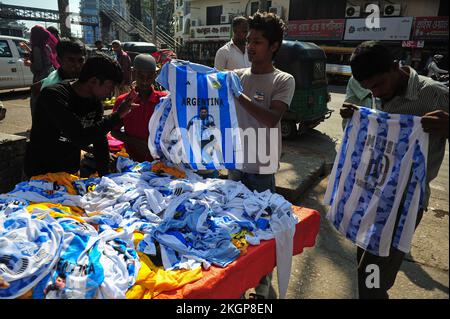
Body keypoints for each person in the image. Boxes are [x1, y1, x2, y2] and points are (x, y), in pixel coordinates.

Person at [340, 41, 449, 299]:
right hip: (373, 195)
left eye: (378, 85)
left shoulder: (434, 94)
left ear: (395, 67)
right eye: (368, 89)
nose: (375, 94)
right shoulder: (379, 93)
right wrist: (359, 115)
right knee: (366, 269)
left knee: (372, 276)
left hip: (405, 204)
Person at [229, 12, 295, 299]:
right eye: (248, 41)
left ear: (274, 46)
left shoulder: (283, 80)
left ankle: (263, 285)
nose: (250, 46)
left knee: (262, 229)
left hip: (261, 168)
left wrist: (238, 96)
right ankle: (236, 278)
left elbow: (271, 119)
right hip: (235, 164)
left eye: (257, 42)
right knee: (234, 224)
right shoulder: (237, 77)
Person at [24, 54, 138, 178]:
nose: (111, 93)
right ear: (93, 81)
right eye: (109, 87)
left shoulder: (94, 102)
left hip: (69, 172)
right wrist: (117, 115)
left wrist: (105, 178)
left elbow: (99, 140)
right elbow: (80, 137)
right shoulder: (54, 96)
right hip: (41, 173)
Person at [111, 54, 167, 162]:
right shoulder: (123, 101)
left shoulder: (164, 101)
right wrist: (134, 142)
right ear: (133, 74)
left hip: (161, 162)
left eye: (149, 76)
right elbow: (114, 131)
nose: (145, 81)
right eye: (141, 76)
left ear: (155, 75)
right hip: (132, 161)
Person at [30, 38, 87, 117]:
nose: (77, 66)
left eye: (81, 60)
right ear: (59, 60)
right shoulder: (53, 89)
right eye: (71, 60)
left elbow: (35, 86)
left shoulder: (80, 77)